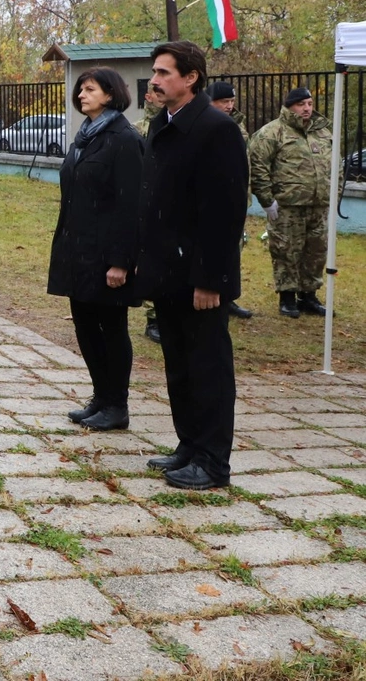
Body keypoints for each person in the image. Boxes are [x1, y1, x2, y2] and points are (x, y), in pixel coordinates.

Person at [136, 41, 248, 491]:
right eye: (155, 72)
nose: (155, 80)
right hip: (167, 270)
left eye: (164, 73)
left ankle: (213, 461)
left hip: (199, 274)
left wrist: (211, 279)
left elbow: (224, 213)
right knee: (178, 364)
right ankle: (189, 446)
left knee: (208, 366)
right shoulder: (163, 124)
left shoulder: (215, 129)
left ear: (191, 78)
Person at [47, 68, 143, 432]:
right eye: (80, 89)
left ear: (110, 93)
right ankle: (101, 397)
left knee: (111, 328)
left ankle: (117, 403)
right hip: (78, 251)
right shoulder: (84, 138)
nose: (82, 94)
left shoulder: (123, 139)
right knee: (86, 326)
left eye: (90, 89)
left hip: (107, 256)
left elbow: (130, 205)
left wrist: (121, 261)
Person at [248, 86, 334, 319]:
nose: (306, 109)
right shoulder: (272, 133)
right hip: (287, 207)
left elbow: (334, 164)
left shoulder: (323, 132)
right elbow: (259, 168)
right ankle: (287, 298)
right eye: (301, 104)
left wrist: (332, 192)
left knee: (316, 251)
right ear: (289, 106)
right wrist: (267, 201)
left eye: (309, 104)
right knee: (287, 251)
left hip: (318, 204)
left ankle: (309, 295)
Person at [205, 81, 254, 320]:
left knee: (233, 252)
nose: (229, 106)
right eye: (224, 101)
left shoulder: (238, 127)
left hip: (236, 201)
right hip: (209, 205)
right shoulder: (202, 126)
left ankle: (228, 296)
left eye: (232, 101)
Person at [135, 87, 164, 345]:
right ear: (148, 97)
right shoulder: (137, 130)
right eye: (156, 91)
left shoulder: (180, 126)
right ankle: (153, 319)